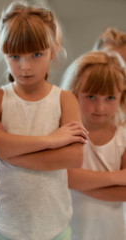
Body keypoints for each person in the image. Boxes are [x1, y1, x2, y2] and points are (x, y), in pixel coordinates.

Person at [0, 2, 88, 240]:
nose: (25, 66)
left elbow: (73, 157)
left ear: (54, 49)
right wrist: (51, 140)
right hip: (2, 227)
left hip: (54, 228)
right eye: (15, 56)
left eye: (36, 54)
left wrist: (6, 151)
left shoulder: (65, 100)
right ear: (3, 53)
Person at [61, 50, 126, 240]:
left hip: (114, 233)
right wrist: (118, 177)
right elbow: (66, 177)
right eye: (91, 97)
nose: (100, 108)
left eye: (110, 98)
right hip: (70, 232)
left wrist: (78, 180)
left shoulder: (123, 137)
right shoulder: (67, 133)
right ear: (74, 94)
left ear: (121, 97)